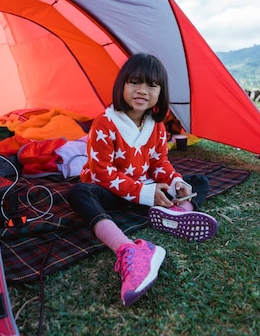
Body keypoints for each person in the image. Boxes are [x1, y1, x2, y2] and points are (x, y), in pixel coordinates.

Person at [67, 53, 218, 307]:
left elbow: (160, 163)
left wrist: (175, 183)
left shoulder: (157, 126)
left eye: (151, 85)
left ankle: (179, 213)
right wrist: (145, 194)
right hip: (111, 192)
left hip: (145, 190)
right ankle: (129, 249)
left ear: (161, 92)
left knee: (198, 181)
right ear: (121, 85)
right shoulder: (104, 124)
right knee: (78, 193)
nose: (142, 91)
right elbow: (102, 173)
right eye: (134, 82)